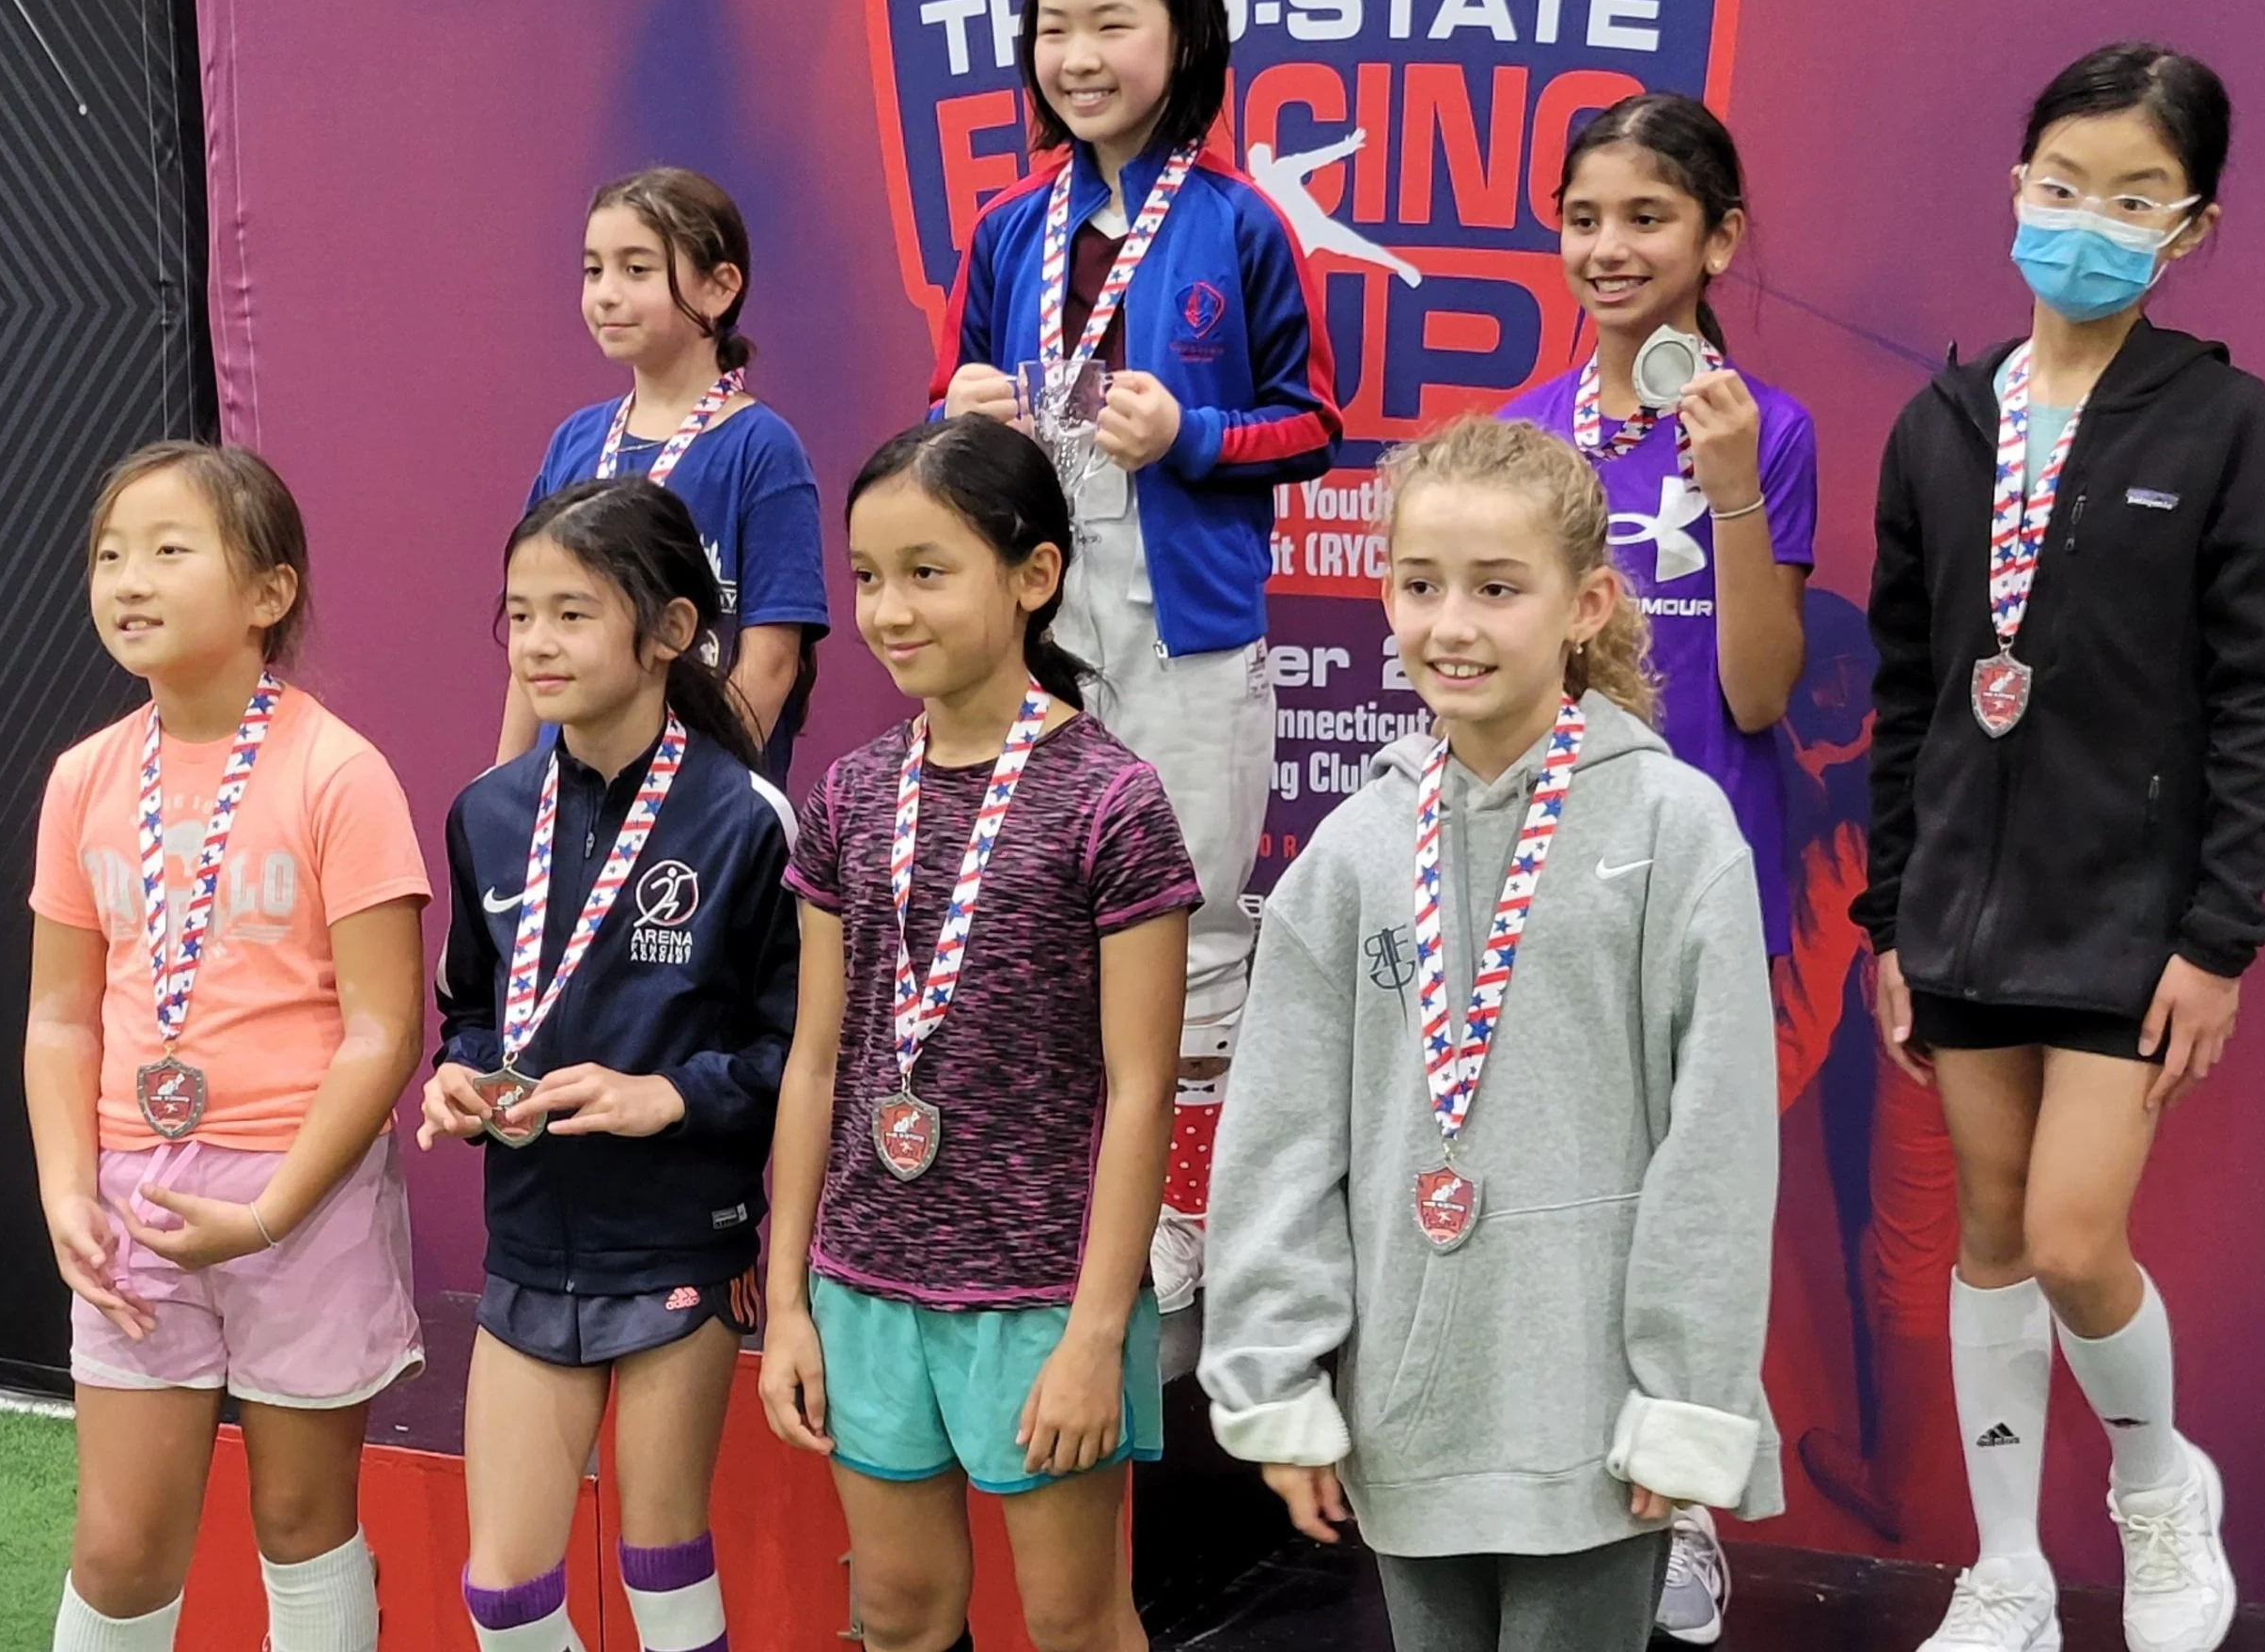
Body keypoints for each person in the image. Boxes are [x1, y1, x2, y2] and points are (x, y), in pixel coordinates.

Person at [1199, 415, 1782, 1652]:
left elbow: (1718, 1147)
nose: (1451, 624)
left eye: (1497, 588)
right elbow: (1282, 1136)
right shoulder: (1355, 850)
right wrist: (1277, 1371)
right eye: (1420, 585)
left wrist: (1683, 1395)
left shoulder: (1672, 830)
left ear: (1586, 605)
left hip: (1593, 1425)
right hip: (1409, 1422)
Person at [1853, 43, 2265, 1652]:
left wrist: (2218, 940)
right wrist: (1888, 919)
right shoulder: (1940, 423)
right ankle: (2008, 1573)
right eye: (2062, 186)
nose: (2085, 223)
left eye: (2131, 200)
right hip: (1961, 915)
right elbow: (1909, 692)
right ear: (2017, 185)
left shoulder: (2227, 423)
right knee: (1987, 1242)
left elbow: (2261, 696)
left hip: (2131, 920)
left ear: (2191, 228)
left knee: (2067, 1238)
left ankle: (2159, 1491)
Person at [933, 0, 1340, 1310]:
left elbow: (1314, 422)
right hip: (1035, 616)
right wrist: (958, 411)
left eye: (1114, 23)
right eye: (1055, 27)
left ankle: (1186, 1215)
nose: (1080, 55)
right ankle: (1057, 1186)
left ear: (1186, 37)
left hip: (1184, 618)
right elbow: (953, 416)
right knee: (1035, 910)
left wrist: (1194, 436)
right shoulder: (1009, 228)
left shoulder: (1239, 222)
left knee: (1196, 919)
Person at [759, 415, 1199, 1652]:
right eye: (867, 576)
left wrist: (1096, 1333)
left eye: (927, 571)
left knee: (1072, 1620)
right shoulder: (850, 794)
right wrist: (789, 1300)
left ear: (1034, 575)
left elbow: (1140, 1089)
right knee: (897, 1612)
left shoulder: (1111, 802)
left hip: (1042, 1295)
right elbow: (816, 1061)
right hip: (864, 1284)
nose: (889, 609)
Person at [1497, 90, 1814, 1640]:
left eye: (1647, 217)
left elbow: (1757, 693)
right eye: (1584, 218)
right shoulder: (1521, 436)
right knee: (1559, 1197)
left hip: (1707, 877)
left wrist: (1734, 481)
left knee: (1687, 1204)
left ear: (1718, 241)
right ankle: (1567, 1489)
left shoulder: (1772, 430)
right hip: (1551, 873)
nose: (1609, 248)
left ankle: (1685, 1512)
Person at [26, 443, 430, 1652]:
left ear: (268, 591)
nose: (128, 579)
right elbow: (60, 1014)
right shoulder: (83, 777)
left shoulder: (339, 770)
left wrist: (266, 1213)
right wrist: (66, 1185)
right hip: (134, 1200)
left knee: (302, 1520)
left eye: (168, 548)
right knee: (118, 1544)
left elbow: (384, 1028)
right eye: (109, 553)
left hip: (301, 1194)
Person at [425, 479, 799, 1652]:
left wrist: (669, 1094)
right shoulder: (487, 811)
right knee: (504, 1595)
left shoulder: (747, 818)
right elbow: (472, 1008)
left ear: (670, 628)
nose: (536, 641)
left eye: (572, 613)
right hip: (530, 1239)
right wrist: (461, 1075)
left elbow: (801, 1056)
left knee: (660, 1565)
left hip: (678, 1239)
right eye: (519, 613)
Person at [502, 165, 829, 785]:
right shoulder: (574, 442)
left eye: (636, 269)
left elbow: (770, 661)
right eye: (593, 270)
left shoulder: (761, 448)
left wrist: (694, 801)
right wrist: (506, 790)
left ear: (719, 288)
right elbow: (531, 643)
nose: (606, 294)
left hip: (695, 804)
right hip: (565, 799)